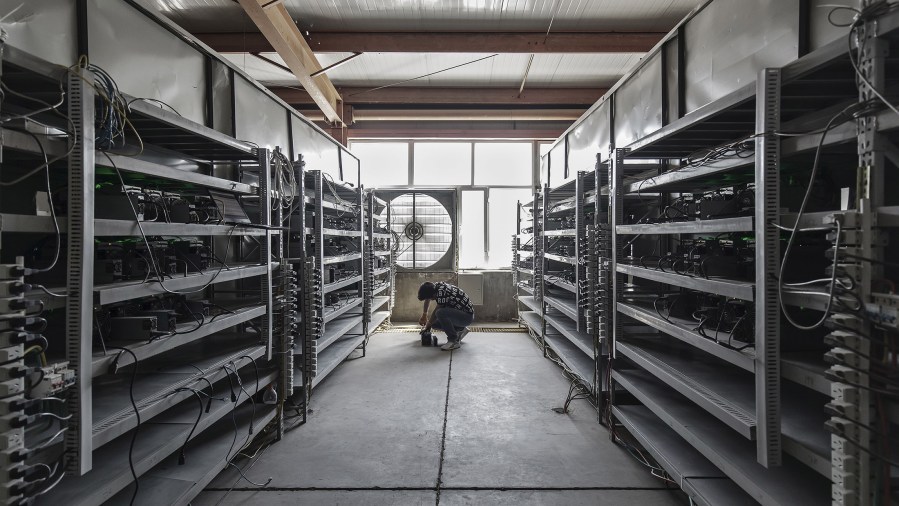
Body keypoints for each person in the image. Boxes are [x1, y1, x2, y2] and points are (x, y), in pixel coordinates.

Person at [417, 281, 474, 351]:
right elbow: (428, 298)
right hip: (459, 315)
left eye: (432, 298)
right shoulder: (435, 287)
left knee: (440, 313)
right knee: (434, 324)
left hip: (466, 317)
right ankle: (460, 329)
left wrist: (428, 324)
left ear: (433, 294)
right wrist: (424, 315)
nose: (432, 300)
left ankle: (453, 341)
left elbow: (436, 311)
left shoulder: (442, 292)